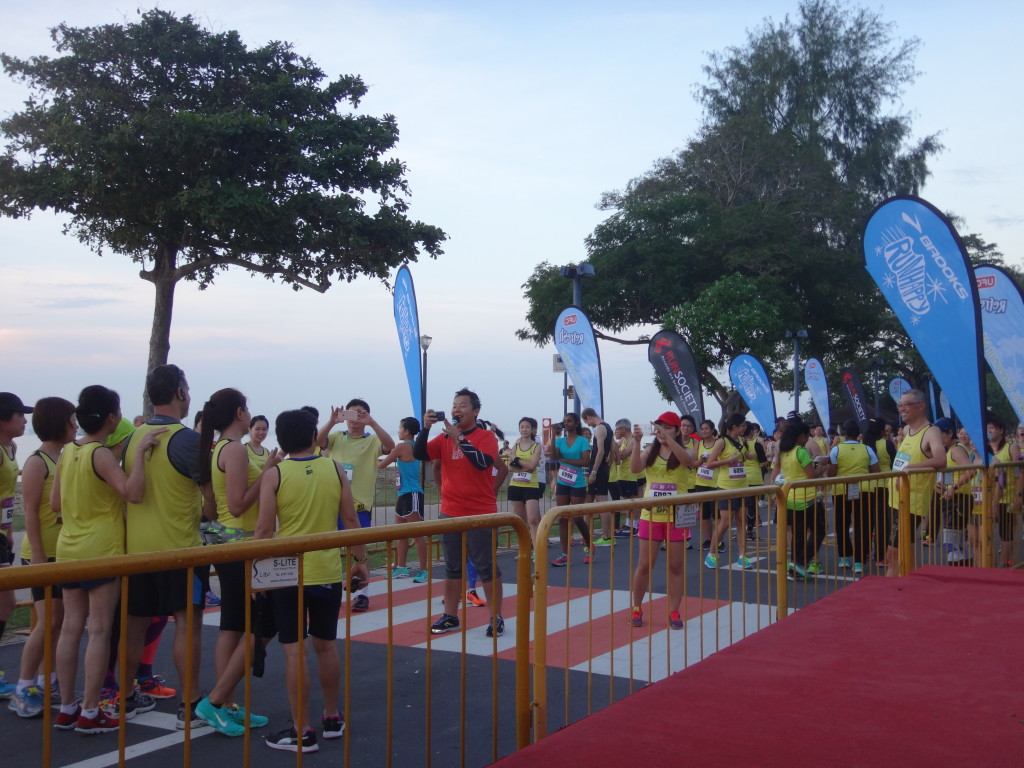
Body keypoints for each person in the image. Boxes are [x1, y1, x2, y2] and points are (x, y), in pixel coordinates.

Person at [51, 386, 165, 733]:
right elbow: (132, 492)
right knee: (99, 631)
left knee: (71, 629)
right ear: (113, 418)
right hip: (101, 551)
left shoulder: (68, 451)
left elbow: (55, 504)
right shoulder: (100, 455)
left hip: (68, 549)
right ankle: (90, 710)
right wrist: (142, 454)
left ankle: (67, 706)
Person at [257, 408, 369, 753]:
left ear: (282, 440)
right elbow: (350, 520)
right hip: (327, 570)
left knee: (294, 651)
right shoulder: (334, 468)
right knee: (325, 645)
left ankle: (302, 730)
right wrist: (361, 561)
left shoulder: (274, 474)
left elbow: (263, 531)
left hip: (287, 573)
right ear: (311, 436)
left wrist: (257, 577)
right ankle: (332, 717)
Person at [121, 364, 210, 730]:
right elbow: (213, 506)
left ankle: (124, 698)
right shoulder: (189, 440)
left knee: (132, 625)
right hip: (181, 550)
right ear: (179, 392)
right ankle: (189, 708)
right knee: (187, 626)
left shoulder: (132, 438)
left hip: (137, 551)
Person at [193, 388, 283, 736]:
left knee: (233, 625)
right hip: (241, 545)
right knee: (263, 623)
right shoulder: (234, 450)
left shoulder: (218, 447)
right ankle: (216, 701)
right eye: (247, 411)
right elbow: (238, 504)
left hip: (229, 544)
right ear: (240, 413)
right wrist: (270, 472)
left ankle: (225, 703)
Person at [416, 388, 508, 637]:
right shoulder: (444, 438)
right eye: (454, 405)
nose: (456, 409)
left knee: (487, 567)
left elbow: (482, 462)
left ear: (476, 411)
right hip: (450, 512)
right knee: (452, 567)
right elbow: (419, 453)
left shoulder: (486, 436)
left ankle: (495, 616)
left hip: (480, 513)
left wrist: (459, 438)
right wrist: (424, 429)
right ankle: (451, 616)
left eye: (463, 405)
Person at [7, 397, 76, 717]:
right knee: (47, 622)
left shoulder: (65, 457)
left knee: (58, 622)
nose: (75, 426)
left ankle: (47, 682)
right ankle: (23, 688)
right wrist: (36, 553)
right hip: (41, 555)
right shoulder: (37, 461)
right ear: (58, 423)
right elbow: (31, 512)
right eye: (71, 421)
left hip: (62, 553)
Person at [318, 398, 395, 612]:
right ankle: (329, 587)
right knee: (329, 549)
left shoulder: (371, 442)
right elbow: (317, 441)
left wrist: (373, 423)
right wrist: (332, 421)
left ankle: (363, 594)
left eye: (360, 413)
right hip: (332, 503)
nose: (355, 418)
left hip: (359, 506)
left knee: (359, 551)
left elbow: (390, 446)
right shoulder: (336, 437)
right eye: (351, 413)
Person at [628, 412, 695, 629]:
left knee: (676, 566)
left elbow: (689, 461)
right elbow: (635, 468)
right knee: (645, 565)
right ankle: (636, 607)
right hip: (651, 515)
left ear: (676, 430)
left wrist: (670, 440)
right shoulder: (651, 450)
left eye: (667, 427)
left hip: (677, 516)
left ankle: (674, 611)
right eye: (659, 427)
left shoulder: (686, 449)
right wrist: (637, 442)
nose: (661, 431)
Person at [886, 390, 945, 576]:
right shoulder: (908, 431)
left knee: (892, 554)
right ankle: (908, 589)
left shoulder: (931, 431)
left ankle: (889, 597)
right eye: (899, 405)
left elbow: (941, 460)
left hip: (911, 502)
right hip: (896, 499)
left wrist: (911, 468)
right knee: (905, 550)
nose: (902, 409)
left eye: (906, 404)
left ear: (921, 406)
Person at [0, 393, 33, 701]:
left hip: (2, 535)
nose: (25, 420)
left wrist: (7, 531)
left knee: (5, 604)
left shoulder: (10, 447)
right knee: (6, 603)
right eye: (20, 415)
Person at [771, 420, 825, 580]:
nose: (807, 439)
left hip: (791, 497)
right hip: (808, 498)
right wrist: (821, 467)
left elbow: (777, 468)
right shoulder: (801, 452)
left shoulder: (783, 451)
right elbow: (811, 477)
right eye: (807, 436)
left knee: (798, 535)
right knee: (819, 531)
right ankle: (801, 562)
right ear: (801, 436)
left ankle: (794, 568)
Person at [377, 417, 429, 582]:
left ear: (406, 431)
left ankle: (423, 570)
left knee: (417, 534)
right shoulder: (416, 447)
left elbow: (382, 464)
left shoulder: (402, 447)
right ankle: (401, 567)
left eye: (400, 428)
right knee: (401, 534)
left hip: (412, 493)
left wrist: (363, 461)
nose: (398, 431)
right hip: (403, 494)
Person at [826, 420, 880, 577]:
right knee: (861, 524)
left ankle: (844, 557)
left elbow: (831, 473)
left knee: (842, 522)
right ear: (858, 434)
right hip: (863, 489)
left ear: (844, 433)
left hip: (841, 489)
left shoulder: (836, 450)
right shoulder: (867, 448)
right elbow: (875, 470)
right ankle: (859, 561)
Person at [704, 414, 756, 569]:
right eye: (742, 426)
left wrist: (748, 456)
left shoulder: (742, 441)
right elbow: (710, 463)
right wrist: (728, 461)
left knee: (741, 522)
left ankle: (742, 556)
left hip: (742, 485)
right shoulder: (722, 441)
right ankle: (712, 554)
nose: (744, 428)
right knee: (725, 522)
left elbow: (743, 459)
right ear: (734, 427)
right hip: (726, 487)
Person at [545, 413, 593, 567]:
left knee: (578, 518)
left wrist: (565, 460)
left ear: (576, 423)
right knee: (562, 517)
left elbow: (585, 461)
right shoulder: (560, 441)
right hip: (563, 481)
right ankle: (564, 554)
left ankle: (590, 545)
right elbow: (553, 456)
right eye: (565, 421)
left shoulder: (582, 441)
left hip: (577, 482)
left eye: (569, 421)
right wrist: (552, 435)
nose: (566, 423)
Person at [932, 418, 973, 566]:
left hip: (959, 498)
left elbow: (971, 470)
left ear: (949, 433)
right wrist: (942, 484)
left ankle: (958, 574)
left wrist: (953, 487)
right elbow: (952, 473)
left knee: (951, 541)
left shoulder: (956, 449)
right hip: (954, 498)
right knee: (957, 541)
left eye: (939, 435)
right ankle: (963, 574)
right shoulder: (951, 449)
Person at [987, 411, 1022, 566]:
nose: (989, 431)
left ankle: (1005, 564)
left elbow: (1018, 471)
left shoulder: (1011, 447)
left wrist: (1018, 495)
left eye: (992, 428)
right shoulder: (985, 449)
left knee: (1006, 533)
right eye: (987, 428)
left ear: (1001, 430)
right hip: (986, 497)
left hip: (1007, 497)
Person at [506, 417, 543, 553]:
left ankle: (537, 550)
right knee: (521, 521)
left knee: (533, 519)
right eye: (522, 427)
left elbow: (533, 465)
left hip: (531, 486)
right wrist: (522, 467)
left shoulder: (536, 446)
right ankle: (524, 550)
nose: (524, 429)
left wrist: (516, 459)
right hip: (515, 485)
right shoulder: (515, 446)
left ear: (532, 429)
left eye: (527, 427)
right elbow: (510, 467)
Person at [581, 408, 614, 545]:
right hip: (601, 468)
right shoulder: (608, 427)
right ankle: (586, 535)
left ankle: (607, 537)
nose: (588, 425)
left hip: (598, 469)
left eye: (586, 421)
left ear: (589, 417)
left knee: (602, 503)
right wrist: (610, 459)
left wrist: (594, 472)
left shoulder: (600, 428)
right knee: (589, 502)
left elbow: (600, 451)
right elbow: (612, 447)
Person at [694, 420, 720, 550]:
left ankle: (718, 541)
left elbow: (722, 461)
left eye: (706, 429)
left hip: (715, 482)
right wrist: (701, 460)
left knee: (716, 515)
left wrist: (712, 460)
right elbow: (695, 463)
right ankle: (709, 540)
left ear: (712, 429)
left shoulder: (718, 443)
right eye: (702, 429)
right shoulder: (699, 444)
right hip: (701, 482)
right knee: (704, 514)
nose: (704, 431)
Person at [611, 419, 639, 538]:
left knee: (632, 501)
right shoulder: (624, 440)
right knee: (627, 501)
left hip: (629, 475)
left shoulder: (632, 440)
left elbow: (622, 455)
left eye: (617, 429)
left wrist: (614, 448)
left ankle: (635, 526)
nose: (615, 431)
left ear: (623, 429)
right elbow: (616, 451)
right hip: (622, 475)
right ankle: (629, 524)